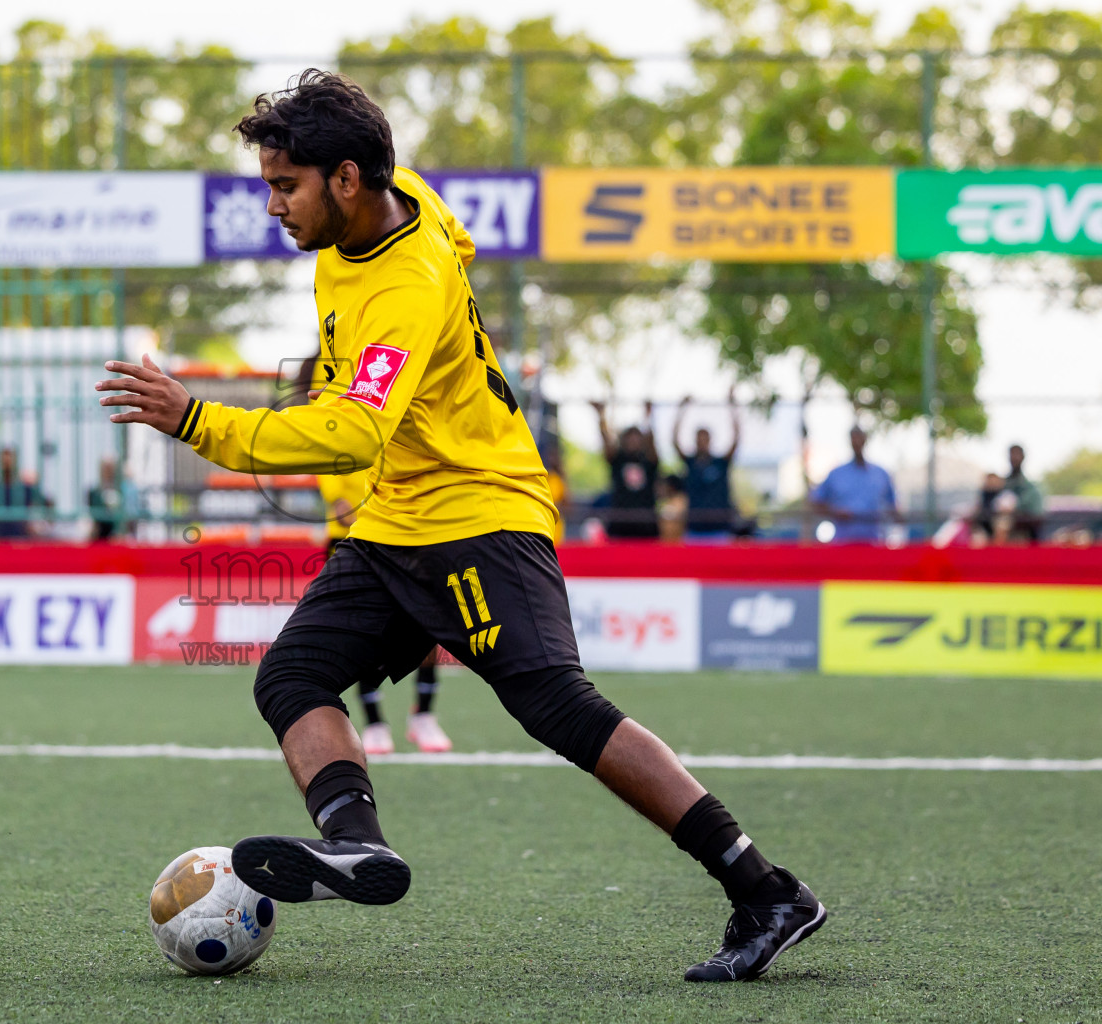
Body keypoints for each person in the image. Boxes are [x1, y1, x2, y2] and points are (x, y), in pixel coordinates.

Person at [97, 69, 824, 982]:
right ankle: (357, 847)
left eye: (287, 186)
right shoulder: (397, 211)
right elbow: (454, 237)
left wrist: (198, 421)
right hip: (396, 520)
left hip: (481, 513)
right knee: (293, 676)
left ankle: (765, 890)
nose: (273, 206)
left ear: (348, 179)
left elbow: (356, 426)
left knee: (559, 705)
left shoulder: (403, 282)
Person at [319, 465, 451, 755]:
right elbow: (339, 498)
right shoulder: (346, 429)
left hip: (407, 535)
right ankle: (374, 722)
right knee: (363, 629)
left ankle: (424, 716)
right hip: (354, 537)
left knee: (427, 624)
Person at [809, 426, 900, 543]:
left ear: (865, 440)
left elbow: (894, 508)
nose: (857, 442)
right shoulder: (836, 474)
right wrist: (836, 512)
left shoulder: (881, 474)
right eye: (854, 438)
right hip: (843, 543)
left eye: (859, 438)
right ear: (850, 441)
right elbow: (817, 502)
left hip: (875, 542)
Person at [673, 390, 739, 540]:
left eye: (705, 438)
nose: (702, 441)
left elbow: (736, 439)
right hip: (694, 530)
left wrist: (732, 406)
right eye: (699, 438)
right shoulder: (690, 463)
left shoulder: (721, 463)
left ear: (710, 440)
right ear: (695, 440)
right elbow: (675, 441)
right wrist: (681, 409)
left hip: (720, 531)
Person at [593, 399, 660, 539]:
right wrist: (600, 415)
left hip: (646, 524)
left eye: (636, 438)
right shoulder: (618, 460)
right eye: (630, 438)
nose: (633, 441)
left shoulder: (648, 461)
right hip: (620, 522)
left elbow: (652, 443)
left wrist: (648, 418)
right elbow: (606, 442)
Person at [0, 446, 51, 538]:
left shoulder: (27, 489)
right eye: (4, 459)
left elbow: (47, 505)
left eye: (10, 458)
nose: (7, 462)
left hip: (21, 533)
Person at [87, 456, 138, 541]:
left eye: (111, 469)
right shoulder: (95, 493)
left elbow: (131, 517)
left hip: (121, 538)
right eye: (106, 469)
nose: (108, 472)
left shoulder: (125, 490)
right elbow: (93, 521)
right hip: (101, 539)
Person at [1004, 444, 1044, 542]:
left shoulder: (1031, 487)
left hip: (1025, 528)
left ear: (1023, 457)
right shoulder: (1003, 484)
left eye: (1017, 455)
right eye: (1012, 454)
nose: (1014, 458)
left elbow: (1037, 512)